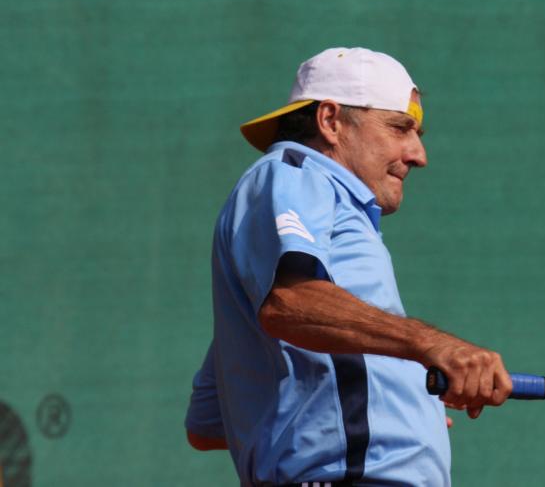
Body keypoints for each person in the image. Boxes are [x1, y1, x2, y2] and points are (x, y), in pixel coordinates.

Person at [185, 47, 512, 486]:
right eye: (400, 128)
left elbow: (208, 423)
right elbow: (290, 304)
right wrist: (431, 345)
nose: (418, 154)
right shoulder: (296, 173)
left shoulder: (324, 221)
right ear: (331, 121)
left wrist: (392, 406)